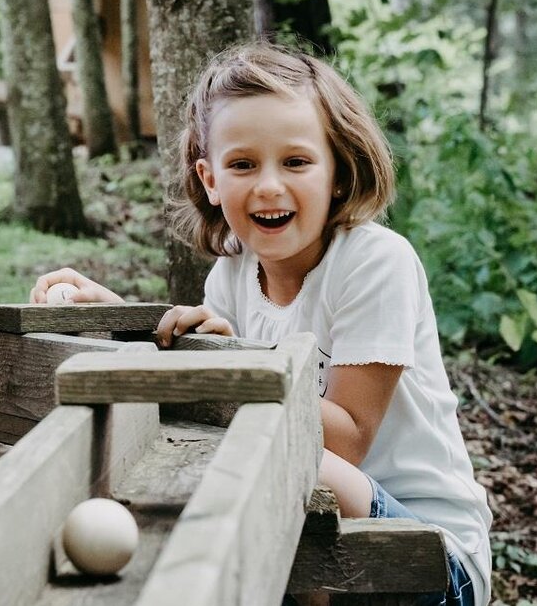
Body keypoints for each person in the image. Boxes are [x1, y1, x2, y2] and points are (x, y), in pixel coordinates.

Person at [31, 43, 491, 606]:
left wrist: (233, 365)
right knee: (234, 455)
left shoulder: (374, 262)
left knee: (277, 454)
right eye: (243, 164)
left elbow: (346, 440)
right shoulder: (231, 277)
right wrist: (124, 319)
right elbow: (213, 386)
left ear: (338, 171)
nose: (269, 185)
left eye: (296, 162)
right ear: (210, 180)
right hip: (316, 538)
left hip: (430, 556)